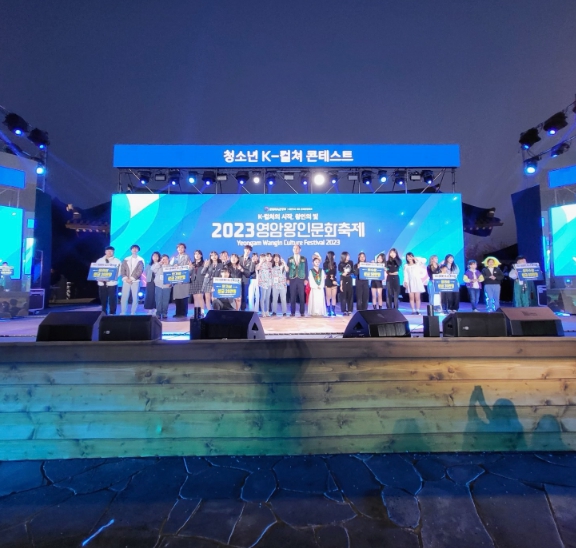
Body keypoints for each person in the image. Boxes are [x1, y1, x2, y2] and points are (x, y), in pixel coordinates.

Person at [95, 246, 121, 315]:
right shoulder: (100, 260)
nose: (109, 252)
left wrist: (111, 278)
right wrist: (99, 278)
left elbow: (119, 272)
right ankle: (104, 312)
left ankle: (112, 313)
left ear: (113, 252)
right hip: (101, 283)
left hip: (112, 283)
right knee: (103, 299)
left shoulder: (117, 261)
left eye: (111, 251)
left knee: (113, 299)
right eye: (108, 251)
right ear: (105, 252)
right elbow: (95, 271)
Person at [120, 244, 145, 315]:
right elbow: (122, 269)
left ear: (138, 250)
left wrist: (131, 278)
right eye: (133, 248)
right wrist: (126, 278)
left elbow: (140, 271)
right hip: (126, 281)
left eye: (136, 248)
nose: (134, 250)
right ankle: (123, 312)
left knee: (135, 297)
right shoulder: (126, 259)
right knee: (124, 297)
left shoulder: (140, 260)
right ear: (131, 250)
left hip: (135, 281)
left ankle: (133, 312)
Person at [170, 243, 192, 318]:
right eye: (179, 248)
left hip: (183, 279)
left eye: (182, 247)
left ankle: (184, 312)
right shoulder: (175, 258)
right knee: (177, 297)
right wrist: (173, 266)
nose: (180, 249)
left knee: (184, 296)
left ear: (184, 249)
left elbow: (188, 267)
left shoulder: (187, 257)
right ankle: (178, 312)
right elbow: (171, 268)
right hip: (176, 280)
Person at [287, 244, 308, 317]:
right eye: (294, 248)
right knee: (292, 296)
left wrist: (306, 279)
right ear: (292, 250)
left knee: (302, 296)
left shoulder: (304, 259)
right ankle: (292, 312)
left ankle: (302, 312)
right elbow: (288, 269)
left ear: (300, 250)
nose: (295, 250)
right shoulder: (289, 259)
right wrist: (287, 278)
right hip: (292, 279)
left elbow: (306, 269)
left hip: (301, 279)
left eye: (297, 248)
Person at [308, 252, 327, 316]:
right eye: (316, 262)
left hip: (320, 288)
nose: (317, 263)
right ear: (313, 263)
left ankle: (320, 312)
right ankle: (314, 312)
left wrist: (321, 286)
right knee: (314, 300)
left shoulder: (322, 270)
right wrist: (315, 286)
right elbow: (311, 279)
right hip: (314, 288)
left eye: (318, 262)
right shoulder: (311, 271)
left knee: (320, 300)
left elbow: (323, 279)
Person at [154, 254, 172, 320]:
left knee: (165, 301)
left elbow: (174, 277)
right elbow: (153, 269)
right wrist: (159, 264)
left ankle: (164, 313)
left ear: (168, 260)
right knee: (158, 300)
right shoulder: (158, 266)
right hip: (158, 286)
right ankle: (158, 313)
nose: (165, 260)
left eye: (166, 259)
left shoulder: (171, 267)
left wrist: (171, 284)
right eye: (163, 259)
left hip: (167, 286)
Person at [189, 250, 206, 318]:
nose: (197, 255)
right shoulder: (192, 264)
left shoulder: (204, 263)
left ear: (201, 255)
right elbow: (190, 274)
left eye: (198, 254)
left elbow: (204, 272)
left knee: (200, 297)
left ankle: (202, 312)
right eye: (195, 254)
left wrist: (205, 266)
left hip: (201, 281)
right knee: (195, 298)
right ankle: (196, 313)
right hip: (194, 281)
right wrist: (190, 268)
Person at [238, 245, 255, 310]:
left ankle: (243, 310)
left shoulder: (251, 261)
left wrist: (242, 270)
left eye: (249, 250)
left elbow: (250, 272)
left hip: (246, 280)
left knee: (244, 296)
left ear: (250, 252)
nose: (247, 251)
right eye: (246, 249)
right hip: (237, 279)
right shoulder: (238, 258)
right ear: (244, 250)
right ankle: (236, 309)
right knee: (237, 295)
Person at [256, 253, 273, 317]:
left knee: (268, 297)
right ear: (265, 257)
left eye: (270, 257)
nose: (269, 258)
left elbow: (272, 273)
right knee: (263, 297)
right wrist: (261, 262)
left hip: (269, 282)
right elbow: (257, 269)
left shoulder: (271, 264)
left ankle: (267, 311)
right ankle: (262, 311)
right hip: (263, 282)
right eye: (267, 256)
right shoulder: (261, 264)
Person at [338, 251, 354, 316]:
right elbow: (340, 272)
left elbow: (352, 271)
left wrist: (350, 273)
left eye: (349, 255)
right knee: (343, 296)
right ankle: (344, 310)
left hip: (349, 279)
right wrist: (342, 273)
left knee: (350, 295)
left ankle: (350, 310)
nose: (348, 257)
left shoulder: (351, 262)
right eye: (347, 256)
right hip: (343, 280)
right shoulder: (340, 264)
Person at [323, 251, 338, 317]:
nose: (334, 256)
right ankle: (328, 310)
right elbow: (326, 272)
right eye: (334, 255)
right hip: (328, 281)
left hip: (334, 280)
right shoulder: (325, 264)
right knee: (328, 296)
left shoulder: (334, 263)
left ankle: (333, 310)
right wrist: (330, 270)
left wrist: (332, 276)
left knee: (334, 296)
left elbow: (335, 272)